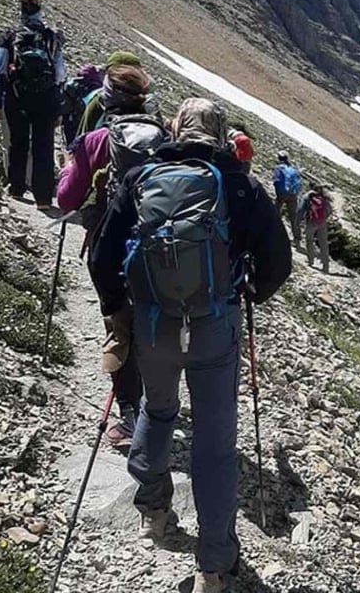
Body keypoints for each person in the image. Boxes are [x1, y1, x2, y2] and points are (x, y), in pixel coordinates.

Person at [91, 98, 291, 593]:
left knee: (158, 412)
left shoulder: (141, 177)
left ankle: (154, 511)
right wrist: (249, 292)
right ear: (220, 135)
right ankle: (213, 567)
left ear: (175, 130)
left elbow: (101, 256)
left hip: (153, 324)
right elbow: (278, 261)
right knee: (215, 446)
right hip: (214, 327)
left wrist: (120, 308)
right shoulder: (239, 184)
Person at [57, 60, 165, 448]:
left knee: (119, 326)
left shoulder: (96, 141)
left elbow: (67, 198)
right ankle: (161, 402)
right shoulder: (165, 138)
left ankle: (130, 414)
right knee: (154, 321)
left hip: (109, 247)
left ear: (107, 99)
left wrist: (68, 167)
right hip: (160, 245)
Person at [0, 0, 66, 209]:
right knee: (43, 146)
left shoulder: (9, 35)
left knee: (18, 142)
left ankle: (17, 188)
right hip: (46, 99)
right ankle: (43, 198)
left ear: (21, 12)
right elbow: (60, 73)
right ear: (39, 12)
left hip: (17, 97)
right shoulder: (51, 37)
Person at [60, 63, 103, 147]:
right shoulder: (97, 88)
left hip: (70, 120)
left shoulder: (71, 85)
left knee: (71, 145)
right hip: (86, 121)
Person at [297, 181, 332, 273]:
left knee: (309, 240)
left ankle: (311, 260)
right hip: (322, 222)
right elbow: (329, 210)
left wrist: (298, 221)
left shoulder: (307, 196)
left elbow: (300, 209)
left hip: (311, 222)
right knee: (323, 243)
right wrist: (324, 218)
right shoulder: (323, 196)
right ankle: (326, 266)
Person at [272, 150, 302, 244]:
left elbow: (276, 181)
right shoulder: (293, 168)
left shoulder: (278, 168)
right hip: (293, 194)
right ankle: (297, 237)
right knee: (293, 216)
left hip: (282, 194)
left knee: (276, 213)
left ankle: (273, 232)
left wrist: (278, 194)